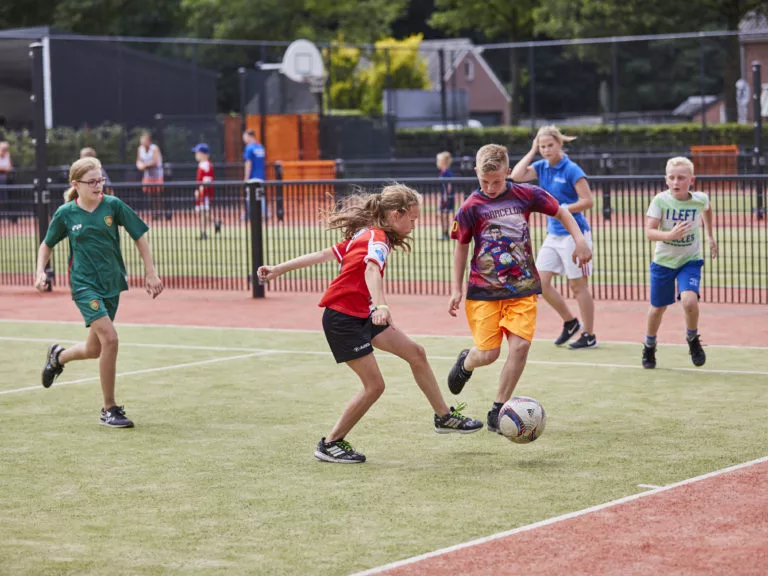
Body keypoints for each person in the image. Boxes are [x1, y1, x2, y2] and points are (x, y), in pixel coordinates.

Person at [257, 184, 483, 463]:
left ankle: (444, 417)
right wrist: (381, 306)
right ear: (394, 214)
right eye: (412, 218)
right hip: (343, 319)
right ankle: (330, 443)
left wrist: (278, 269)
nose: (415, 223)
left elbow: (321, 255)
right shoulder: (377, 238)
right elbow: (372, 269)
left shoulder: (366, 234)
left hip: (362, 314)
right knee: (375, 386)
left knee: (417, 354)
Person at [447, 144, 592, 434]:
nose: (490, 187)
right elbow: (461, 247)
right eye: (484, 181)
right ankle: (466, 362)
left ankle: (498, 409)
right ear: (476, 173)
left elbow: (562, 212)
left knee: (521, 346)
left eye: (497, 181)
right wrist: (456, 288)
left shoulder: (526, 194)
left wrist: (580, 240)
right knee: (488, 354)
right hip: (483, 292)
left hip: (522, 288)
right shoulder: (469, 208)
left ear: (507, 173)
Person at [35, 157, 164, 428]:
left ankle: (58, 357)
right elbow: (46, 245)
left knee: (95, 348)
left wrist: (150, 272)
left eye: (100, 179)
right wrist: (39, 272)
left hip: (112, 283)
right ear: (76, 185)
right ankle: (109, 409)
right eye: (92, 182)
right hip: (83, 285)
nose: (98, 185)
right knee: (112, 339)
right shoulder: (66, 213)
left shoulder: (113, 206)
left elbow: (139, 235)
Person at [511, 125, 597, 350]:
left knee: (578, 286)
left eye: (550, 145)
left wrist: (563, 209)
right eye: (542, 146)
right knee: (540, 282)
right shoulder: (541, 166)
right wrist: (531, 150)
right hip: (553, 234)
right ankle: (570, 322)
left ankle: (589, 334)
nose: (546, 150)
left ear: (559, 144)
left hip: (574, 234)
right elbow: (516, 176)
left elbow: (588, 200)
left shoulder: (571, 169)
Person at [642, 157, 717, 369]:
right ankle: (649, 344)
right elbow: (649, 232)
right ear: (666, 180)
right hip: (664, 262)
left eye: (681, 178)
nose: (676, 182)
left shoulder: (700, 199)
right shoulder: (660, 201)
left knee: (689, 301)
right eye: (672, 178)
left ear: (691, 180)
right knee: (658, 308)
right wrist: (670, 235)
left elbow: (707, 209)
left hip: (690, 260)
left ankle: (692, 339)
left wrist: (710, 235)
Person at [192, 143, 221, 239]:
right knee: (203, 213)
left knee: (203, 213)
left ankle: (203, 232)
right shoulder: (203, 164)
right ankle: (214, 223)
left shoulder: (205, 165)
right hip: (204, 193)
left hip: (205, 194)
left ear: (203, 154)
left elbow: (206, 180)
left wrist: (199, 191)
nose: (196, 155)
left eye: (198, 153)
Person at [136, 132, 165, 218]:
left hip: (157, 175)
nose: (142, 143)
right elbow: (139, 160)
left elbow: (155, 161)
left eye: (144, 141)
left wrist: (144, 165)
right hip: (148, 175)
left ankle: (159, 213)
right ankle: (153, 213)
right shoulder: (140, 149)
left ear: (149, 141)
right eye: (141, 141)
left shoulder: (154, 148)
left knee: (157, 194)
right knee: (150, 195)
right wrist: (139, 165)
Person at [242, 129, 266, 220]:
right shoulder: (260, 147)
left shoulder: (249, 148)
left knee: (250, 196)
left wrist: (246, 178)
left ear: (249, 136)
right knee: (260, 196)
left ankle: (250, 214)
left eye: (245, 137)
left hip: (252, 176)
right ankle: (263, 214)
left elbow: (248, 163)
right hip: (261, 176)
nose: (244, 139)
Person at [436, 151, 455, 240]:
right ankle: (445, 233)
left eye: (438, 160)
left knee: (444, 215)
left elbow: (449, 185)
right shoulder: (443, 172)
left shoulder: (447, 172)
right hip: (445, 197)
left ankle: (446, 234)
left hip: (446, 198)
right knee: (443, 215)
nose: (437, 162)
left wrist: (445, 197)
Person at [0, 141, 12, 221]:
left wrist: (4, 169)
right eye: (3, 149)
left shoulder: (8, 156)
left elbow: (9, 167)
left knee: (5, 199)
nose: (5, 150)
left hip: (5, 179)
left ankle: (6, 217)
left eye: (6, 149)